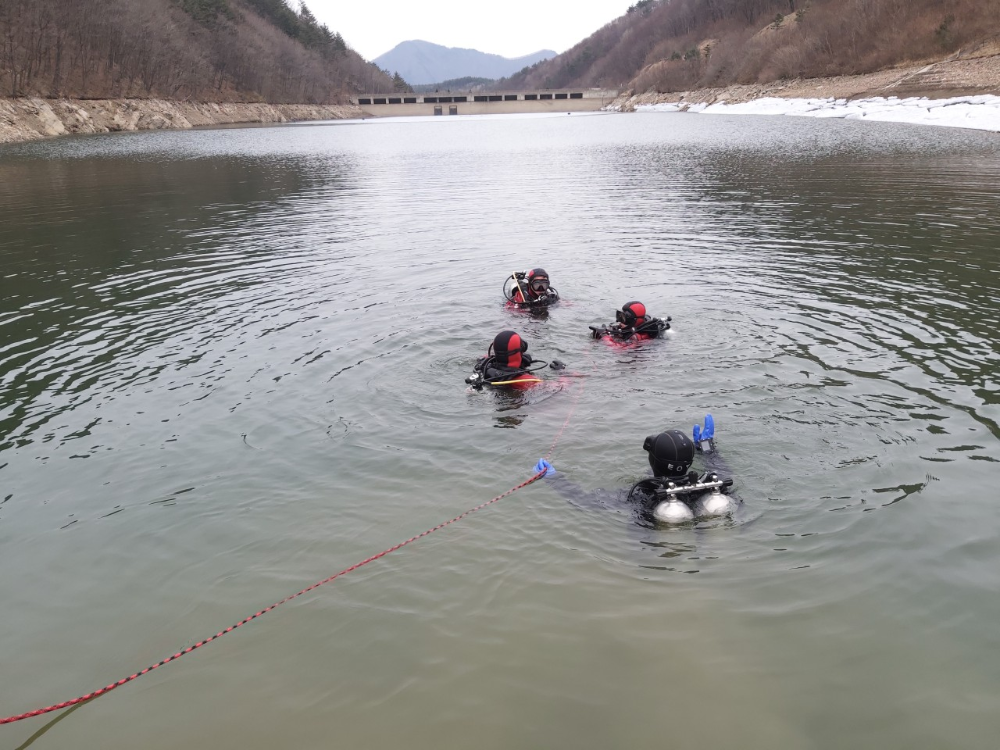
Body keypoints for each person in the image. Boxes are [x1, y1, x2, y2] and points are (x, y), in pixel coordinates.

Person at [533, 415, 736, 524]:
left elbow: (589, 503)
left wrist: (555, 479)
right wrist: (708, 449)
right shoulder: (707, 484)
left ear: (652, 460)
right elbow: (723, 471)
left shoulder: (643, 493)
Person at [466, 330, 563, 389]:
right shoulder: (528, 381)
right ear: (519, 351)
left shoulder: (486, 364)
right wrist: (562, 373)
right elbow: (560, 388)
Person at [589, 301, 670, 342]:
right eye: (621, 317)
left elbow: (618, 350)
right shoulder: (628, 328)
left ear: (634, 321)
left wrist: (604, 337)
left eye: (625, 319)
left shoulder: (637, 337)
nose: (621, 322)